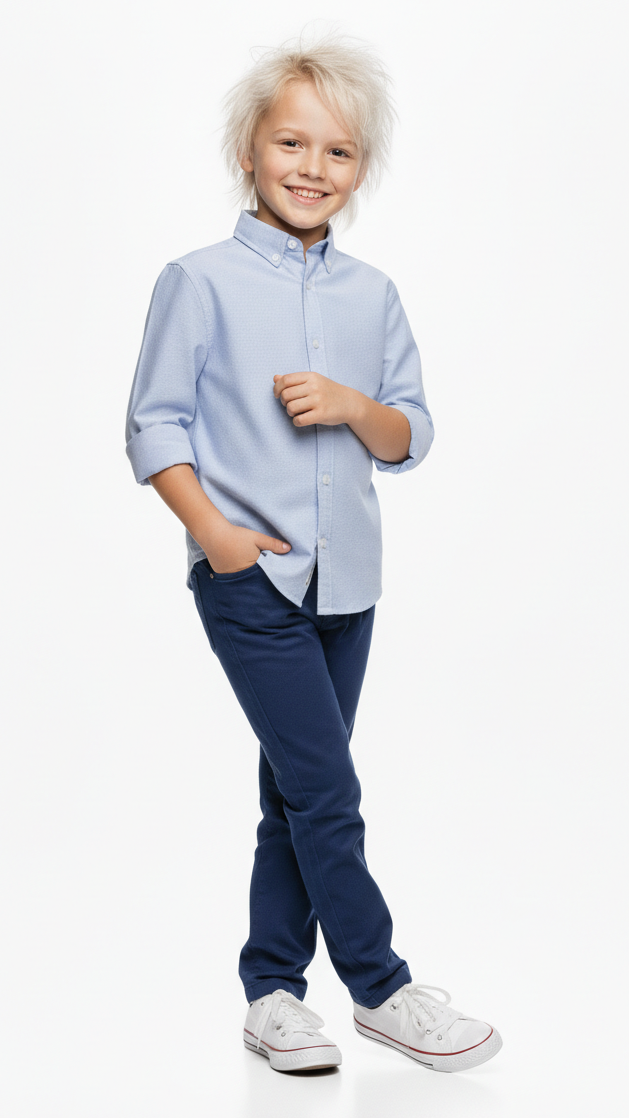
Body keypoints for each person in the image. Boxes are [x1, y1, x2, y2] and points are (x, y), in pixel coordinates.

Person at [125, 32, 502, 1074]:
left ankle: (272, 994)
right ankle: (380, 987)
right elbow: (154, 424)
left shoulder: (371, 294)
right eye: (290, 142)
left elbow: (411, 434)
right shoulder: (197, 281)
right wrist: (214, 537)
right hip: (250, 579)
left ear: (360, 168)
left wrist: (349, 404)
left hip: (351, 584)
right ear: (247, 150)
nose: (311, 167)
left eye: (337, 151)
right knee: (327, 790)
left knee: (293, 791)